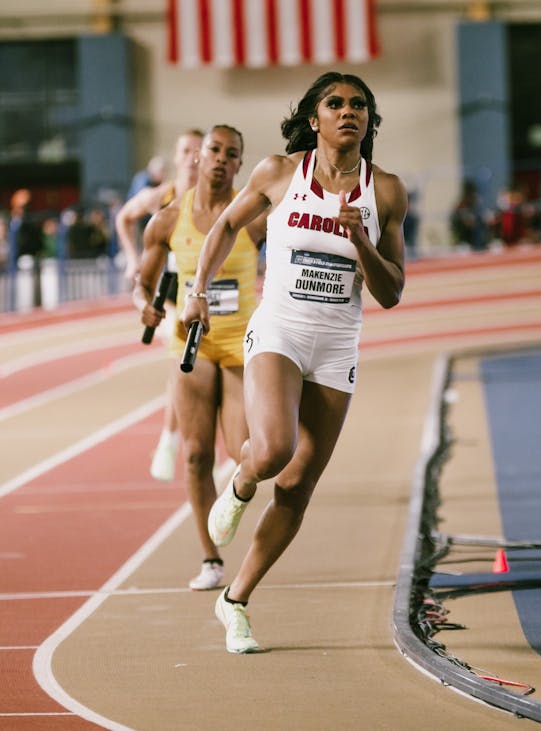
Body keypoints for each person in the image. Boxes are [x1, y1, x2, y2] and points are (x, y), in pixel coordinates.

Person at [180, 72, 407, 653]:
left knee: (299, 486)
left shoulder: (384, 191)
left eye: (359, 104)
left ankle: (234, 602)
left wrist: (360, 242)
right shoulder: (280, 174)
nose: (348, 112)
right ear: (315, 118)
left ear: (368, 120)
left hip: (337, 346)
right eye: (335, 103)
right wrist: (197, 289)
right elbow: (227, 224)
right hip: (280, 328)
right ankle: (241, 480)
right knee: (275, 448)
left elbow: (392, 292)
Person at [135, 124, 266, 591]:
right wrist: (144, 305)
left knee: (242, 452)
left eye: (232, 154)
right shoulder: (169, 219)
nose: (220, 159)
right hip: (190, 342)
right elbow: (143, 283)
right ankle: (211, 560)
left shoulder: (255, 217)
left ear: (239, 166)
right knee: (194, 455)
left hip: (239, 344)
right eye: (214, 149)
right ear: (198, 157)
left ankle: (229, 504)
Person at [116, 128, 204, 483]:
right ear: (176, 155)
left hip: (200, 292)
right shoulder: (160, 196)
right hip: (166, 294)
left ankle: (180, 439)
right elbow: (124, 216)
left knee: (192, 367)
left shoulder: (215, 196)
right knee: (181, 360)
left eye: (200, 151)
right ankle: (169, 440)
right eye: (186, 150)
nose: (193, 157)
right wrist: (132, 257)